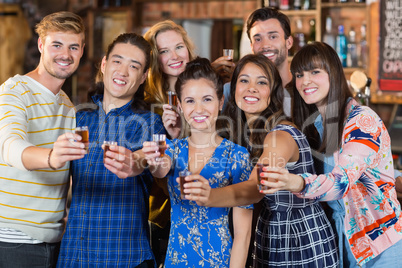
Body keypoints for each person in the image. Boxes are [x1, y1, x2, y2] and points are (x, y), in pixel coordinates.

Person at [183, 53, 339, 267]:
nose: (251, 87)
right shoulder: (241, 135)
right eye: (244, 80)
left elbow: (256, 188)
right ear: (234, 88)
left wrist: (209, 196)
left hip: (300, 238)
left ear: (272, 93)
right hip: (268, 236)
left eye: (262, 82)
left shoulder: (281, 135)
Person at [262, 42, 402, 267]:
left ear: (333, 73)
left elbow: (342, 182)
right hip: (344, 241)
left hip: (381, 243)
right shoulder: (317, 124)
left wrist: (295, 182)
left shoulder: (362, 120)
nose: (305, 81)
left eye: (315, 72)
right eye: (299, 74)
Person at [56, 33, 164, 268]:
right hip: (73, 256)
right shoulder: (77, 118)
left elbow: (150, 157)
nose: (123, 71)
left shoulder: (150, 123)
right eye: (117, 61)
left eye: (133, 66)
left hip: (125, 258)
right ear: (104, 65)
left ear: (144, 76)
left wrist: (136, 161)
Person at [141, 58, 253, 267]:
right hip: (176, 260)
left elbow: (243, 235)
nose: (199, 109)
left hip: (219, 260)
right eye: (190, 101)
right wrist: (154, 160)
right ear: (180, 106)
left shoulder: (238, 156)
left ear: (220, 102)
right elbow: (159, 169)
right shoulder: (172, 149)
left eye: (207, 99)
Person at [0, 11, 86, 267]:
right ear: (41, 45)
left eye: (73, 47)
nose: (65, 55)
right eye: (56, 45)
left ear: (82, 50)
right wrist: (51, 157)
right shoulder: (15, 91)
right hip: (13, 240)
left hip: (54, 240)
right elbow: (10, 147)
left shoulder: (67, 105)